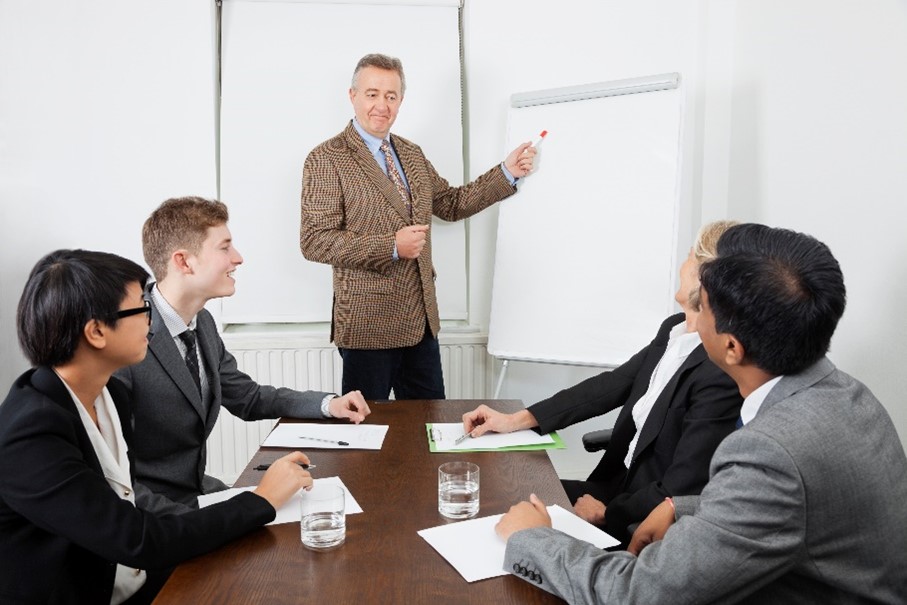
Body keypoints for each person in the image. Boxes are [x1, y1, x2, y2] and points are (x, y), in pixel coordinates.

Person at [495, 224, 907, 603]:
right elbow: (792, 507)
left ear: (731, 348)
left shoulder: (769, 451)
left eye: (701, 307)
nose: (687, 313)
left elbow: (638, 595)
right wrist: (684, 507)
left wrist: (533, 539)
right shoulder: (851, 396)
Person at [0, 249, 312, 605]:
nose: (152, 319)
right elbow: (137, 539)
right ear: (97, 331)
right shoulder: (30, 433)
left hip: (133, 579)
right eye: (141, 307)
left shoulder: (112, 394)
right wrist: (260, 500)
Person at [462, 221, 743, 544]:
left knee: (509, 519)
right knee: (496, 494)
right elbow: (611, 385)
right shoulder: (673, 329)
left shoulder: (717, 372)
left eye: (688, 257)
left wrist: (607, 514)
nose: (681, 266)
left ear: (703, 275)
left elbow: (678, 490)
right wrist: (516, 420)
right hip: (614, 486)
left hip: (638, 512)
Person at [300, 52, 537, 401]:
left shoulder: (410, 154)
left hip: (421, 324)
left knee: (429, 429)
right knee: (367, 436)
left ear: (401, 101)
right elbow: (314, 240)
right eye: (372, 94)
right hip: (368, 327)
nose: (382, 104)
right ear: (353, 96)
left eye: (391, 96)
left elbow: (451, 204)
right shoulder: (326, 158)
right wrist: (391, 246)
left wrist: (506, 172)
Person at [115, 197, 370, 515]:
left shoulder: (202, 323)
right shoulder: (125, 340)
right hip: (161, 514)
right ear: (184, 262)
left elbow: (247, 398)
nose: (237, 258)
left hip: (200, 493)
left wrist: (327, 405)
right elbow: (115, 481)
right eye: (224, 247)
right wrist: (208, 522)